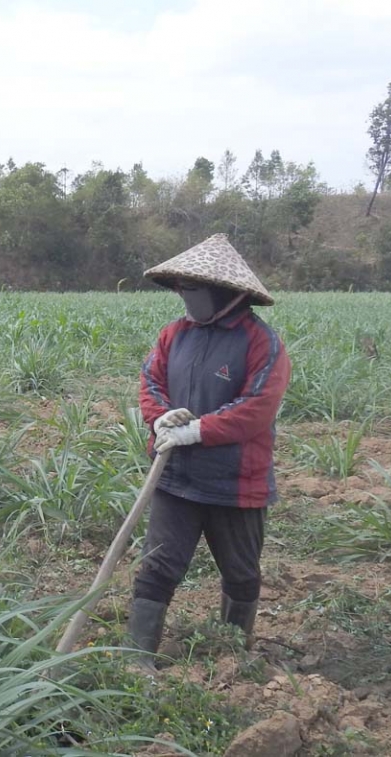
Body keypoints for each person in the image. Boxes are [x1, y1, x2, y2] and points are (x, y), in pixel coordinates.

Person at [130, 233, 291, 669]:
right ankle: (136, 660)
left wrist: (200, 430)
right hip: (176, 476)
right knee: (157, 568)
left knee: (241, 573)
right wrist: (160, 417)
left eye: (193, 287)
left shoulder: (261, 342)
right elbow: (151, 382)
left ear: (226, 292)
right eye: (182, 286)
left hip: (235, 483)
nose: (185, 295)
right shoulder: (174, 335)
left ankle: (232, 653)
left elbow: (257, 408)